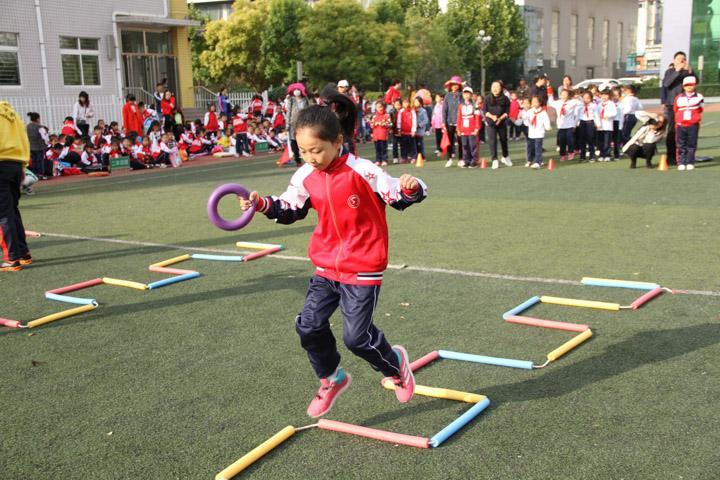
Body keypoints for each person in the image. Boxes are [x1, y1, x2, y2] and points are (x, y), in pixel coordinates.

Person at [239, 104, 426, 418]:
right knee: (308, 326)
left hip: (362, 267)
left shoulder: (363, 170)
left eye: (317, 150)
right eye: (303, 151)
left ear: (337, 142)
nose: (311, 157)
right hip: (326, 267)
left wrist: (411, 188)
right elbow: (289, 209)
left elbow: (395, 193)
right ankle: (331, 378)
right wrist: (261, 204)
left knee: (356, 338)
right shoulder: (305, 175)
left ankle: (395, 366)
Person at [0, 102, 32, 271]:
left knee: (3, 214)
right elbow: (24, 139)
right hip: (16, 164)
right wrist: (23, 164)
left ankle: (12, 258)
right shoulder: (12, 114)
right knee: (12, 210)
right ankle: (23, 253)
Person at [662, 51, 694, 165]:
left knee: (686, 131)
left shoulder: (688, 72)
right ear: (674, 60)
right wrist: (677, 71)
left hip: (686, 106)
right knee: (671, 132)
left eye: (683, 59)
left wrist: (690, 72)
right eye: (679, 59)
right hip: (671, 105)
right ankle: (671, 157)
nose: (681, 61)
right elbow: (666, 84)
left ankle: (685, 157)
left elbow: (695, 83)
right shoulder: (670, 72)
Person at [673, 76, 703, 171]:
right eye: (687, 85)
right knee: (680, 144)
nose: (689, 87)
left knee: (691, 144)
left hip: (693, 124)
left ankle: (690, 162)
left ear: (695, 85)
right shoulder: (678, 97)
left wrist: (695, 119)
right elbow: (675, 109)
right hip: (681, 124)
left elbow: (700, 109)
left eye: (691, 85)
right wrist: (679, 121)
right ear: (683, 86)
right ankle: (681, 162)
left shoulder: (699, 97)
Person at [484, 81, 512, 169]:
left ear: (501, 88)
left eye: (497, 87)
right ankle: (494, 160)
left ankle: (505, 156)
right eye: (493, 87)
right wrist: (492, 117)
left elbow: (507, 112)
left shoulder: (505, 98)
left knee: (504, 140)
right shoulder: (487, 98)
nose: (495, 89)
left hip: (501, 122)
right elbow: (485, 111)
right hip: (491, 123)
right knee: (492, 141)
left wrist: (500, 119)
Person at [548, 88, 579, 161]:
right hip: (561, 125)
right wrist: (550, 92)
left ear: (568, 96)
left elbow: (580, 103)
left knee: (570, 140)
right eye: (563, 94)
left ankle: (571, 153)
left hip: (570, 125)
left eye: (566, 95)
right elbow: (551, 102)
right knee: (562, 141)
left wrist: (577, 97)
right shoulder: (558, 103)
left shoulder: (572, 102)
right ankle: (562, 154)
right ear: (560, 95)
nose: (564, 96)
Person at [522, 95, 551, 169]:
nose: (534, 104)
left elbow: (546, 120)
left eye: (536, 102)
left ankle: (537, 162)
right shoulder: (530, 112)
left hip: (539, 133)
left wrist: (547, 126)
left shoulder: (543, 112)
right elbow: (526, 120)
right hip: (532, 133)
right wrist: (525, 120)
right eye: (533, 102)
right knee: (533, 148)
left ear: (540, 103)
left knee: (538, 147)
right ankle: (538, 160)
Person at [456, 86, 480, 168]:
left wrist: (477, 128)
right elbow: (459, 118)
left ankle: (474, 160)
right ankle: (466, 160)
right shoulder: (460, 106)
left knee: (472, 145)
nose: (466, 95)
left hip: (472, 128)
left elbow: (477, 117)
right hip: (463, 129)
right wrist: (458, 129)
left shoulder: (474, 105)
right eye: (465, 93)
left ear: (471, 95)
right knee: (465, 145)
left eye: (468, 93)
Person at [286, 85, 310, 166]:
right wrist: (287, 123)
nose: (296, 91)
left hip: (303, 122)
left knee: (305, 140)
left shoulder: (305, 99)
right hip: (293, 123)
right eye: (295, 90)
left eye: (298, 89)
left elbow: (308, 110)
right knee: (294, 141)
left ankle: (307, 157)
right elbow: (288, 112)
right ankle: (297, 159)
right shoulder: (291, 100)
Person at [442, 75, 463, 166]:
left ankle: (461, 159)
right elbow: (444, 110)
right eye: (453, 84)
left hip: (460, 122)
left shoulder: (462, 95)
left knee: (461, 141)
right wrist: (444, 122)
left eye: (456, 84)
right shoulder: (447, 96)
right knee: (449, 141)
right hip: (449, 122)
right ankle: (449, 158)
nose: (454, 86)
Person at [594, 88, 617, 162]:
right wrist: (597, 123)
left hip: (608, 125)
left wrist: (607, 115)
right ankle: (601, 154)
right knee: (600, 141)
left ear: (609, 96)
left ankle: (607, 155)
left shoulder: (611, 104)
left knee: (607, 141)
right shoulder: (599, 105)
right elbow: (596, 114)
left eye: (606, 95)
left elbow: (614, 113)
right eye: (602, 95)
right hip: (600, 126)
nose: (604, 97)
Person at [26, 112, 50, 179]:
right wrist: (46, 143)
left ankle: (34, 174)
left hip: (31, 146)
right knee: (40, 161)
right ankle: (40, 174)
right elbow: (44, 137)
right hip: (39, 146)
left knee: (34, 161)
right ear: (37, 119)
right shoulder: (40, 127)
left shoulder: (27, 126)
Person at [577, 92, 597, 162]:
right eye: (584, 98)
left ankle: (592, 156)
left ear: (591, 99)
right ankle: (582, 156)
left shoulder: (593, 106)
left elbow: (596, 115)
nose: (586, 100)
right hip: (582, 122)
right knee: (582, 140)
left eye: (588, 98)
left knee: (591, 139)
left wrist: (598, 124)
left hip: (590, 122)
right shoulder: (580, 106)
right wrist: (576, 124)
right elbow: (577, 115)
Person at [370, 101, 392, 166]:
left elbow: (390, 124)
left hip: (383, 135)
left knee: (383, 149)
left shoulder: (386, 115)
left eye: (381, 107)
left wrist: (384, 124)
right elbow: (371, 125)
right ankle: (378, 160)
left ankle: (384, 160)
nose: (380, 108)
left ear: (384, 107)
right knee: (377, 149)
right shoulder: (374, 116)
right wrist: (375, 124)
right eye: (377, 107)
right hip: (376, 136)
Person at [397, 98, 417, 164]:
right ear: (402, 104)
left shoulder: (412, 111)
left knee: (412, 145)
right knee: (403, 145)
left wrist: (413, 130)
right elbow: (399, 121)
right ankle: (404, 157)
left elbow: (414, 121)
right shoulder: (401, 111)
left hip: (410, 132)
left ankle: (413, 157)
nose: (406, 104)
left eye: (407, 102)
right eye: (404, 103)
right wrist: (399, 129)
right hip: (403, 132)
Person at [413, 96, 429, 162]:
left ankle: (422, 156)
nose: (416, 103)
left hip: (420, 131)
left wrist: (419, 125)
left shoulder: (423, 111)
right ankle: (415, 156)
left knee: (420, 144)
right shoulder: (413, 110)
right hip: (413, 131)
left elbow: (426, 120)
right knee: (414, 144)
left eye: (417, 102)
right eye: (415, 102)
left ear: (421, 103)